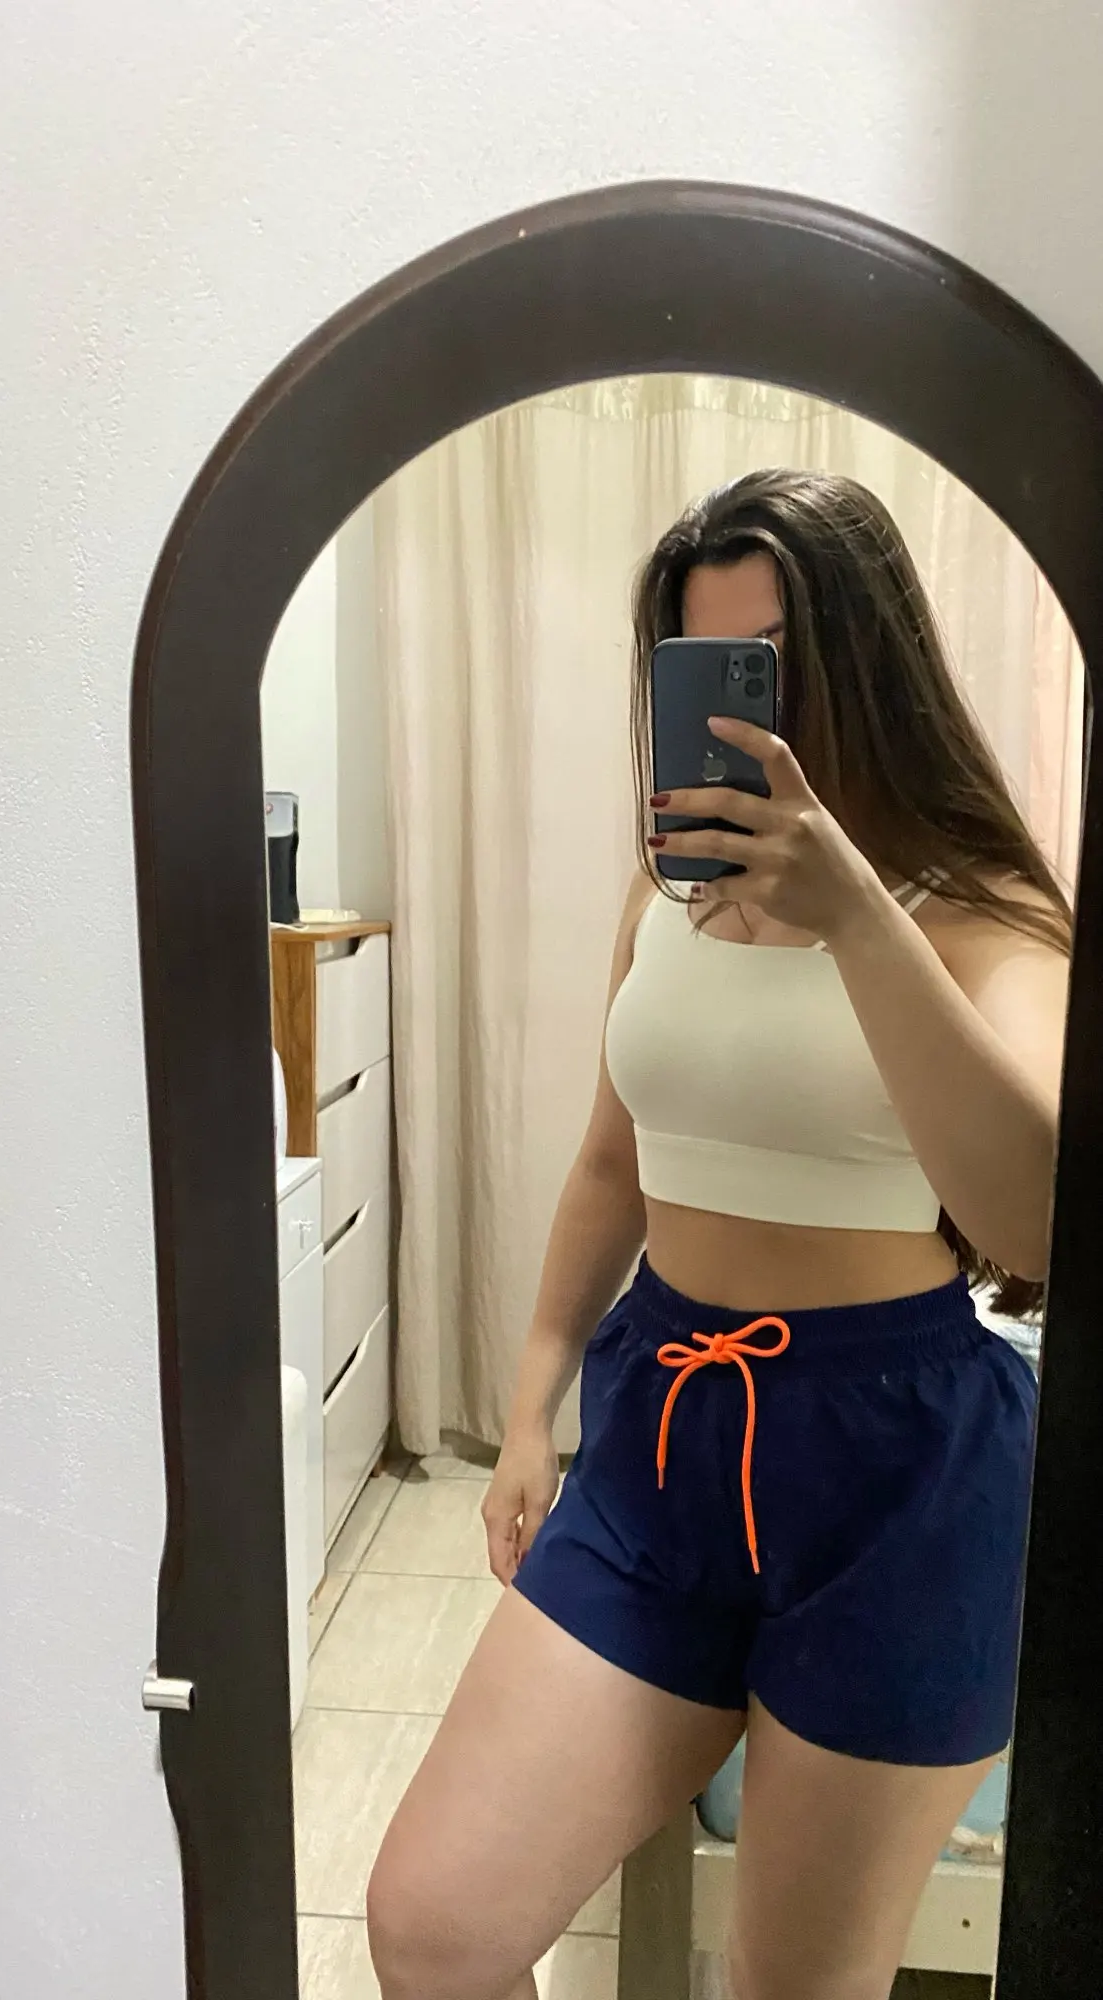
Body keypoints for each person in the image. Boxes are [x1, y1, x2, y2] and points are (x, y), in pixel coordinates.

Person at [367, 470, 1070, 2000]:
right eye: (708, 668)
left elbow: (1029, 1221)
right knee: (434, 1927)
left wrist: (858, 913)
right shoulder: (666, 888)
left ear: (867, 665)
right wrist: (533, 1404)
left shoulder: (988, 912)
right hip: (663, 1425)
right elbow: (611, 1161)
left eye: (774, 664)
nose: (748, 713)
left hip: (899, 1464)